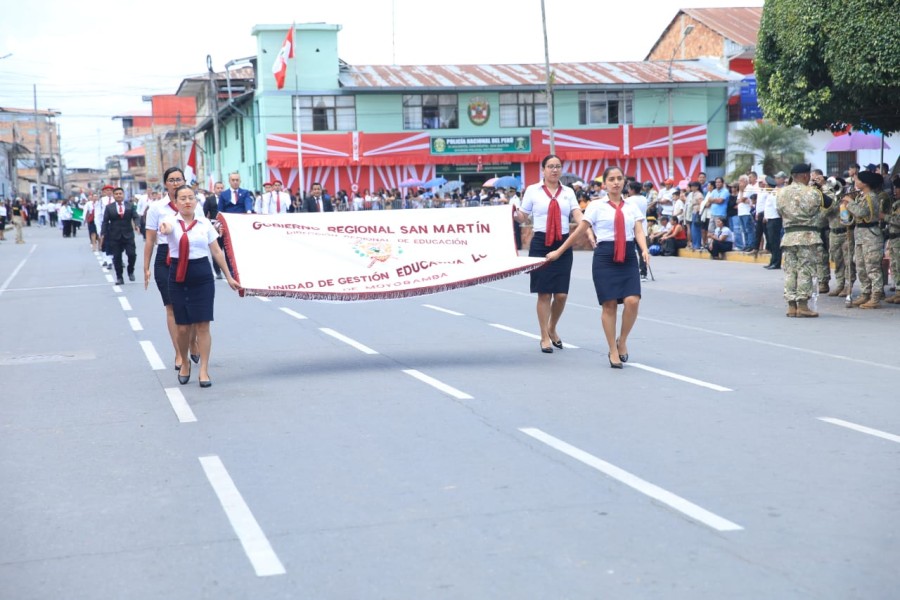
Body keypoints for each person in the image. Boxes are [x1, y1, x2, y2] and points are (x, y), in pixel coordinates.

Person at [547, 165, 648, 369]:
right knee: (609, 305)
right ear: (605, 183)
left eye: (619, 178)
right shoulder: (595, 206)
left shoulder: (631, 206)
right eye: (611, 179)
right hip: (604, 257)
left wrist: (644, 250)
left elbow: (638, 231)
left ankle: (623, 340)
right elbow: (579, 231)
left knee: (633, 301)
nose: (616, 182)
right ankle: (612, 349)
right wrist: (559, 251)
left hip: (627, 255)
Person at [158, 185, 240, 387]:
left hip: (202, 275)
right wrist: (166, 229)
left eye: (190, 198)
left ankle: (204, 369)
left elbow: (217, 252)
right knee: (184, 327)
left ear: (196, 201)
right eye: (183, 198)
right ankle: (185, 361)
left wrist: (229, 277)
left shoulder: (204, 224)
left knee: (203, 325)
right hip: (178, 275)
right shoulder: (170, 221)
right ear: (176, 203)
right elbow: (165, 229)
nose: (187, 201)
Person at [513, 154, 584, 353]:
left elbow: (576, 212)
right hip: (540, 243)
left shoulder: (568, 192)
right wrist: (512, 212)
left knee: (561, 294)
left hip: (562, 243)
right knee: (544, 293)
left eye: (558, 166)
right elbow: (523, 216)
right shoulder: (533, 191)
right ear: (543, 170)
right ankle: (544, 335)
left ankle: (552, 327)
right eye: (551, 166)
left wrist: (585, 224)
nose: (554, 170)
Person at [144, 167, 201, 370]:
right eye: (171, 180)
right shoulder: (157, 208)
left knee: (192, 306)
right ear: (166, 183)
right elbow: (150, 239)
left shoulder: (195, 204)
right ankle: (179, 352)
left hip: (191, 256)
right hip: (165, 258)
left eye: (179, 179)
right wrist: (146, 267)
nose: (176, 183)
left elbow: (204, 230)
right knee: (172, 307)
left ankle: (193, 342)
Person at [776, 164, 828, 317]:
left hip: (789, 236)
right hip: (807, 236)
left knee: (790, 271)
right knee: (805, 270)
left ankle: (791, 306)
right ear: (805, 176)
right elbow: (829, 205)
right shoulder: (812, 192)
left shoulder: (781, 192)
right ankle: (803, 306)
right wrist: (823, 187)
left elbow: (780, 211)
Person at [843, 170, 886, 308]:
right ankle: (865, 293)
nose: (855, 182)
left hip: (870, 235)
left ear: (865, 183)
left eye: (858, 180)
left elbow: (862, 212)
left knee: (872, 267)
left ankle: (875, 296)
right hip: (861, 234)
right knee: (861, 266)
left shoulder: (871, 197)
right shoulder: (862, 196)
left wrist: (849, 203)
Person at [99, 187, 140, 285]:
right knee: (117, 257)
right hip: (114, 235)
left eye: (120, 193)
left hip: (128, 235)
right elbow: (105, 221)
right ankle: (119, 277)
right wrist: (103, 234)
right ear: (114, 196)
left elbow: (135, 216)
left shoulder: (130, 206)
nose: (118, 195)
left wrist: (137, 225)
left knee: (132, 254)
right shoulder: (109, 207)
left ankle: (130, 270)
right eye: (116, 194)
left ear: (123, 195)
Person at [763, 172, 787, 269]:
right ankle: (772, 261)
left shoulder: (775, 194)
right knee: (771, 242)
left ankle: (776, 263)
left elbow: (777, 208)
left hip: (775, 220)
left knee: (775, 242)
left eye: (766, 185)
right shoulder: (772, 193)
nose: (764, 187)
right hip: (770, 219)